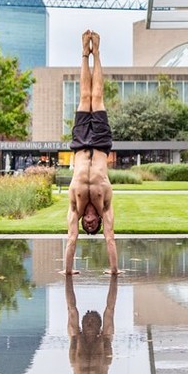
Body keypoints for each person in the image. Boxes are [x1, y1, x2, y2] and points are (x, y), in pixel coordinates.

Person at [62, 30, 119, 275]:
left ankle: (84, 54)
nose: (88, 221)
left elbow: (71, 238)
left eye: (87, 224)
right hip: (101, 144)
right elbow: (110, 238)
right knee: (98, 96)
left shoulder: (75, 205)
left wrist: (67, 270)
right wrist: (114, 270)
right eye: (91, 224)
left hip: (80, 144)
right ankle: (97, 52)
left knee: (85, 95)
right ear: (96, 223)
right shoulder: (105, 205)